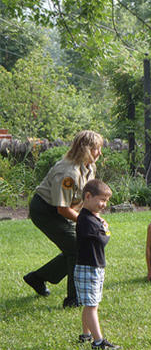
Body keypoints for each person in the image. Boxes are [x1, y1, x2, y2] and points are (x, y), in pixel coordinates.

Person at [23, 130, 104, 308]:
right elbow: (62, 208)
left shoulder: (89, 166)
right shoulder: (68, 173)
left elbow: (86, 198)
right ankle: (73, 300)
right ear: (85, 149)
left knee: (76, 246)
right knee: (77, 247)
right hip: (45, 211)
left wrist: (95, 219)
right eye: (96, 149)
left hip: (64, 210)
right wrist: (88, 222)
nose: (100, 153)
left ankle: (37, 278)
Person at [75, 179, 120, 350]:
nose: (104, 204)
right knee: (91, 305)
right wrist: (106, 229)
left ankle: (86, 334)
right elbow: (103, 240)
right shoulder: (86, 220)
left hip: (95, 266)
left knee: (91, 303)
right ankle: (99, 341)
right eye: (101, 200)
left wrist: (102, 225)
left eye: (106, 201)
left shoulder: (92, 218)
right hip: (89, 267)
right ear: (88, 196)